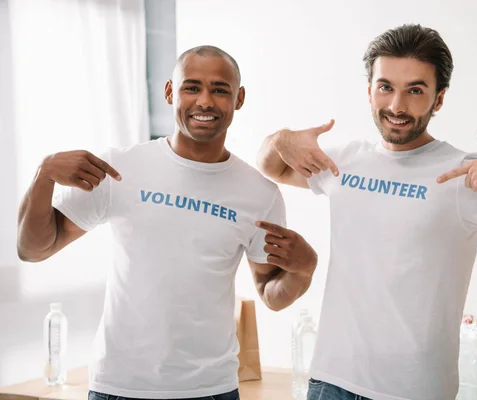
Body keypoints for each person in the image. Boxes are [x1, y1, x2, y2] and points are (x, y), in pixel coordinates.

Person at [257, 24, 477, 400]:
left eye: (415, 90)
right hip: (329, 383)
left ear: (439, 99)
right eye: (385, 87)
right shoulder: (343, 163)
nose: (397, 106)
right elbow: (272, 166)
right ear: (369, 91)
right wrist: (281, 138)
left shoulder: (466, 175)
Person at [17, 46, 318, 400]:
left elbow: (271, 293)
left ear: (239, 98)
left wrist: (304, 270)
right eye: (192, 87)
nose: (205, 101)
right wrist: (43, 176)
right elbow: (33, 249)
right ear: (169, 92)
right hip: (118, 387)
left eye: (220, 90)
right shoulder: (120, 169)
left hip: (212, 390)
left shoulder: (259, 193)